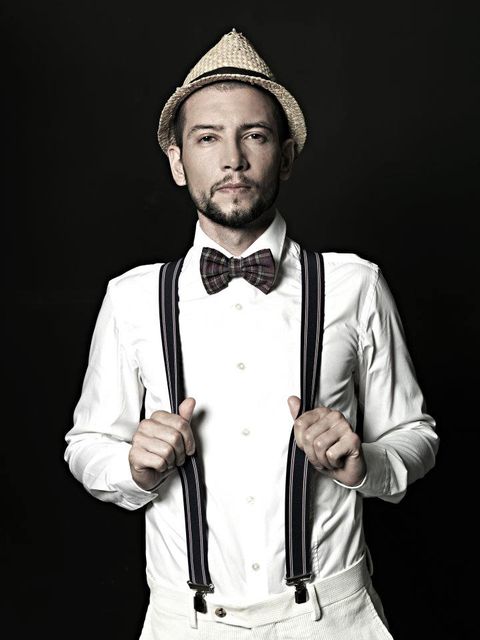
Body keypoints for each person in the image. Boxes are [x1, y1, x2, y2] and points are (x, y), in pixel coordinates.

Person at [64, 28, 439, 640]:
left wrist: (362, 463)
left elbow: (415, 434)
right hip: (185, 624)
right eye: (207, 137)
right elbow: (86, 444)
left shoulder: (356, 285)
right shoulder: (131, 299)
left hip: (333, 620)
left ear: (285, 157)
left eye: (255, 135)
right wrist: (131, 467)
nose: (232, 159)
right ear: (178, 162)